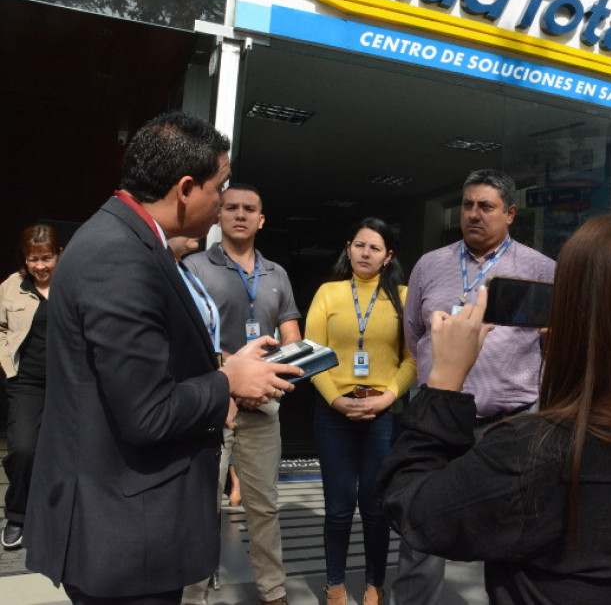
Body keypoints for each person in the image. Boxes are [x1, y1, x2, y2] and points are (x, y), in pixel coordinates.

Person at [24, 111, 302, 604]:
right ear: (186, 188)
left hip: (126, 521)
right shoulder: (120, 257)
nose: (222, 205)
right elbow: (147, 413)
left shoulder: (126, 239)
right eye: (220, 188)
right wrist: (228, 382)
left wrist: (224, 368)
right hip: (123, 532)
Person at [378, 211, 611, 605]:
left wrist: (444, 382)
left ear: (585, 314)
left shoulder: (531, 452)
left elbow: (415, 508)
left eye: (565, 295)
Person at [397, 168, 556, 604]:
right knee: (419, 533)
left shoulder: (542, 270)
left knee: (512, 534)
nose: (473, 214)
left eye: (485, 207)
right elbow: (414, 336)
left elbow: (554, 346)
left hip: (510, 426)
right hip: (438, 419)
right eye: (467, 205)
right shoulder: (430, 264)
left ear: (510, 213)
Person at [185, 183, 302, 605]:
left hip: (263, 405)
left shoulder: (277, 275)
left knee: (265, 507)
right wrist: (235, 377)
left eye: (249, 208)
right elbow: (190, 340)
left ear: (261, 219)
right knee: (202, 508)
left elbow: (292, 337)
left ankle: (274, 592)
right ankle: (192, 596)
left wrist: (266, 381)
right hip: (214, 406)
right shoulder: (195, 267)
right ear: (218, 215)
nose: (239, 214)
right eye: (230, 207)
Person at [304, 218, 417, 605]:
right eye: (359, 245)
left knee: (374, 507)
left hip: (382, 413)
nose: (365, 253)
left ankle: (374, 583)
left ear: (388, 256)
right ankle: (334, 583)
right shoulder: (328, 292)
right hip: (333, 411)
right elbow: (312, 355)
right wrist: (336, 399)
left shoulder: (403, 296)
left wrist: (387, 397)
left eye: (374, 248)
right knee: (337, 507)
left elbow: (412, 358)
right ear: (348, 248)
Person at [0, 224, 62, 550]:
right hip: (27, 382)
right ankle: (18, 515)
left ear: (59, 255)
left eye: (46, 258)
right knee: (24, 448)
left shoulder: (73, 284)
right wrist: (5, 361)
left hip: (67, 383)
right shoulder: (12, 287)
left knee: (67, 451)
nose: (40, 266)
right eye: (33, 258)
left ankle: (61, 516)